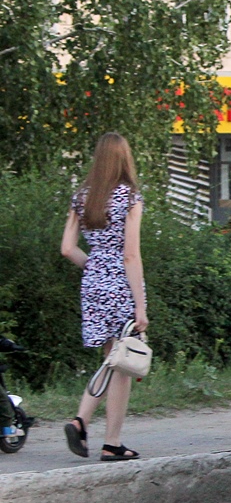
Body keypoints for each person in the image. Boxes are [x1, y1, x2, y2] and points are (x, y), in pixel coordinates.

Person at [60, 132, 147, 462]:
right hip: (121, 285)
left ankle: (85, 424)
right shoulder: (129, 198)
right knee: (122, 364)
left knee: (113, 359)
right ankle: (107, 439)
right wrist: (140, 306)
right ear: (124, 159)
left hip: (93, 284)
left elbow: (67, 248)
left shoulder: (82, 197)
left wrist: (94, 265)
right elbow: (130, 256)